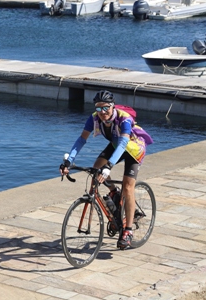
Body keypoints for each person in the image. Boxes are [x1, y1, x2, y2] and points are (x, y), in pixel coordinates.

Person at [59, 90, 153, 249]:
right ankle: (114, 193)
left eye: (106, 108)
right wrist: (69, 161)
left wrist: (109, 166)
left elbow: (124, 144)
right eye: (98, 108)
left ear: (112, 106)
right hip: (116, 145)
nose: (102, 112)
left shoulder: (124, 119)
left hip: (134, 148)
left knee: (128, 186)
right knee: (96, 168)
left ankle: (128, 231)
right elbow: (82, 139)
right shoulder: (94, 118)